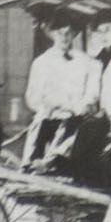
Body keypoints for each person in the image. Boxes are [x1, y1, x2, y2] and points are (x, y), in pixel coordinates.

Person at [20, 12, 95, 165]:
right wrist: (48, 106)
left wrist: (76, 108)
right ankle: (32, 165)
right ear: (52, 34)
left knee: (72, 128)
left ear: (74, 34)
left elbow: (92, 94)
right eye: (60, 33)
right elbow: (32, 97)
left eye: (68, 33)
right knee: (40, 128)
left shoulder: (86, 62)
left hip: (76, 119)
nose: (64, 37)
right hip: (49, 117)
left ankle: (53, 164)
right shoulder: (41, 62)